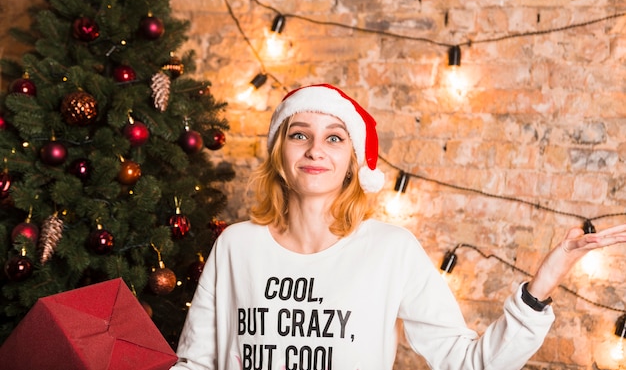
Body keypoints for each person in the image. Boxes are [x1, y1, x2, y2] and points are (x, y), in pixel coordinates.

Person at [171, 83, 626, 370]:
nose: (315, 149)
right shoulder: (236, 245)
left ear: (352, 162)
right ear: (280, 155)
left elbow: (467, 362)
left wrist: (540, 287)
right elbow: (196, 363)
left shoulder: (390, 250)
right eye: (298, 134)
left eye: (333, 137)